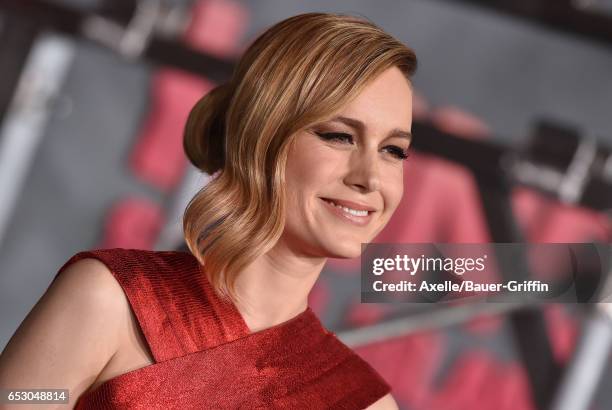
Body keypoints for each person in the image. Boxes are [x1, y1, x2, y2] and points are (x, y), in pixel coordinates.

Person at [0, 12, 416, 409]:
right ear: (263, 135)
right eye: (340, 137)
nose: (371, 177)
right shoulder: (110, 299)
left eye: (393, 150)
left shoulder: (364, 403)